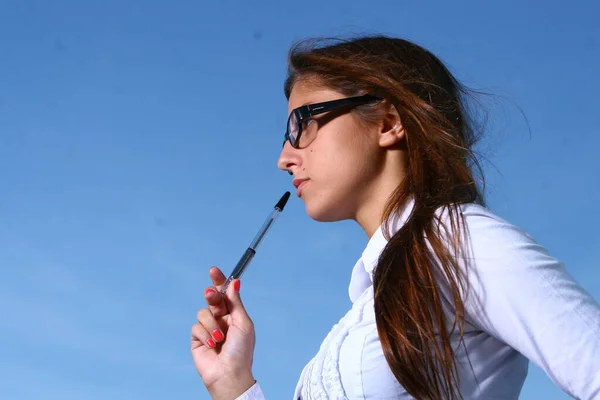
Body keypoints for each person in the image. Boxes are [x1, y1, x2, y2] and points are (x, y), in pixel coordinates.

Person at [190, 35, 600, 400]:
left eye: (305, 123)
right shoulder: (368, 304)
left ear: (388, 123)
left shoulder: (462, 245)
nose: (285, 158)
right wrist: (234, 385)